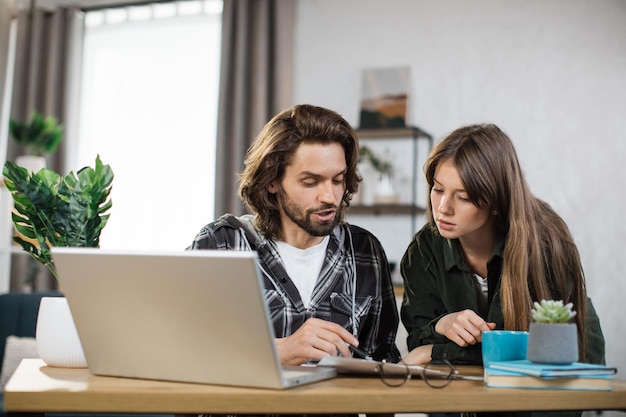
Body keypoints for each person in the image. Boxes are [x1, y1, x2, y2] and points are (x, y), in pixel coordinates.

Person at [189, 104, 401, 367]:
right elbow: (179, 349)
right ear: (272, 180)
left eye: (338, 180)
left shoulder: (364, 250)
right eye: (310, 182)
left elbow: (382, 362)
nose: (329, 197)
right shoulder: (221, 244)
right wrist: (277, 351)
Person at [400, 123, 605, 368]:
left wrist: (435, 351)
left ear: (496, 202)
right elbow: (416, 343)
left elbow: (565, 352)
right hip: (456, 399)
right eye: (438, 189)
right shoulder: (425, 248)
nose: (443, 208)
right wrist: (442, 325)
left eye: (463, 197)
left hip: (536, 399)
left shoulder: (544, 241)